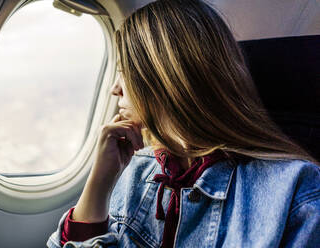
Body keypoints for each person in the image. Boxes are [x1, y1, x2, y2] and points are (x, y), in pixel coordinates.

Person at [47, 0, 320, 247]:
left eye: (122, 72)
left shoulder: (295, 188)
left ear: (164, 79)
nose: (115, 89)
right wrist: (100, 182)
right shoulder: (133, 172)